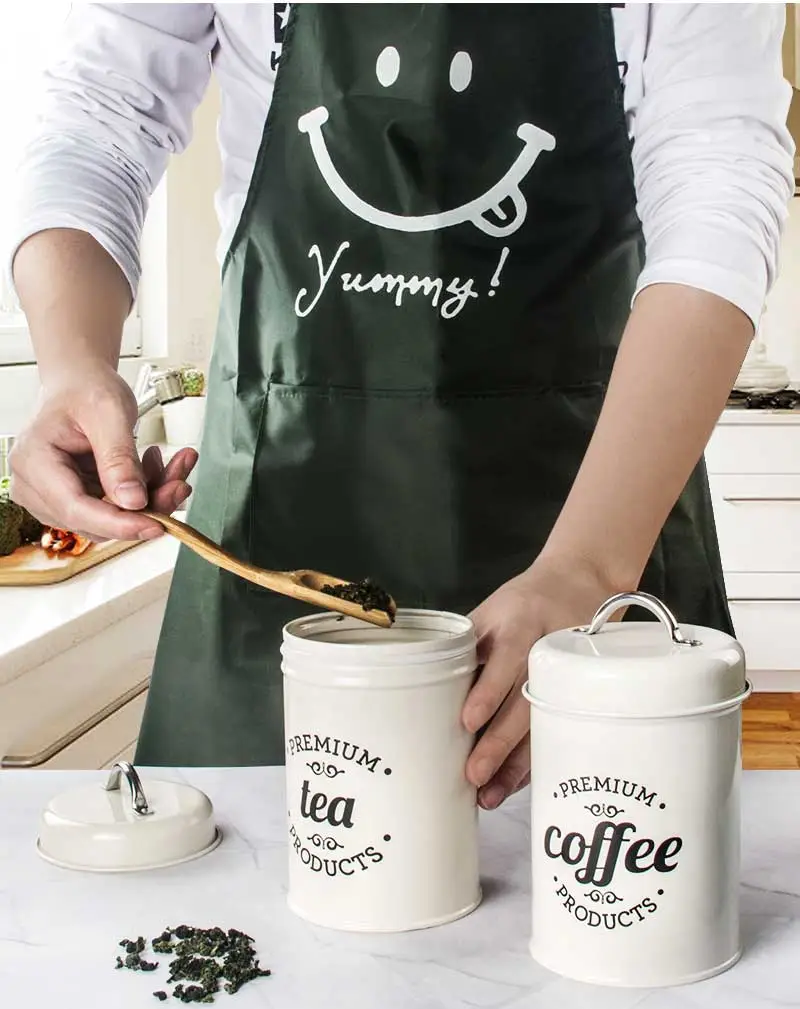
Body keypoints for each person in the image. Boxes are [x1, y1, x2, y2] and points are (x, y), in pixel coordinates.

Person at [6, 4, 794, 808]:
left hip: (603, 514)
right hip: (275, 543)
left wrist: (590, 564)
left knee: (609, 866)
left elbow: (718, 179)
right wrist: (72, 362)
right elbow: (99, 117)